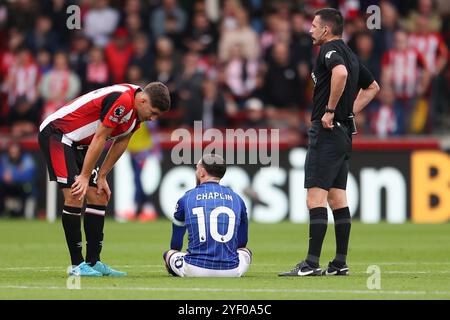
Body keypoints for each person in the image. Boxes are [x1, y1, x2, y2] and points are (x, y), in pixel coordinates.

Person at [279, 8, 379, 277]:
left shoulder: (329, 51)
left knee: (315, 197)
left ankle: (311, 264)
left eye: (314, 26)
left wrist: (331, 110)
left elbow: (341, 74)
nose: (310, 30)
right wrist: (349, 112)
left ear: (326, 29)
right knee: (337, 197)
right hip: (344, 133)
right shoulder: (351, 53)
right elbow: (373, 87)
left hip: (327, 132)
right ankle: (339, 262)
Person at [38, 82, 171, 276]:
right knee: (75, 195)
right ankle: (77, 265)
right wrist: (84, 176)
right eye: (153, 112)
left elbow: (121, 141)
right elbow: (100, 137)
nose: (153, 118)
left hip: (78, 143)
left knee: (99, 195)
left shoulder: (136, 111)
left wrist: (102, 176)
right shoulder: (123, 100)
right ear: (142, 100)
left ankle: (93, 262)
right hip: (58, 134)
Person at [163, 154, 252, 277]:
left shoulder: (187, 198)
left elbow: (176, 243)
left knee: (169, 254)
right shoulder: (237, 199)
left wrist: (175, 252)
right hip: (231, 270)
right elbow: (242, 242)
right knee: (246, 251)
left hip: (194, 268)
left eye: (197, 168)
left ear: (202, 172)